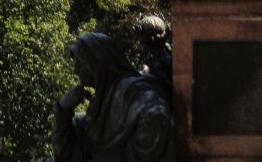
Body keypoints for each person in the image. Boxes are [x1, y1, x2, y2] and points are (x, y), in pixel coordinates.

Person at [52, 32, 172, 162]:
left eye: (80, 63)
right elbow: (65, 155)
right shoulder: (98, 108)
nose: (75, 70)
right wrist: (63, 109)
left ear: (96, 61)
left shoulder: (130, 90)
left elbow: (157, 113)